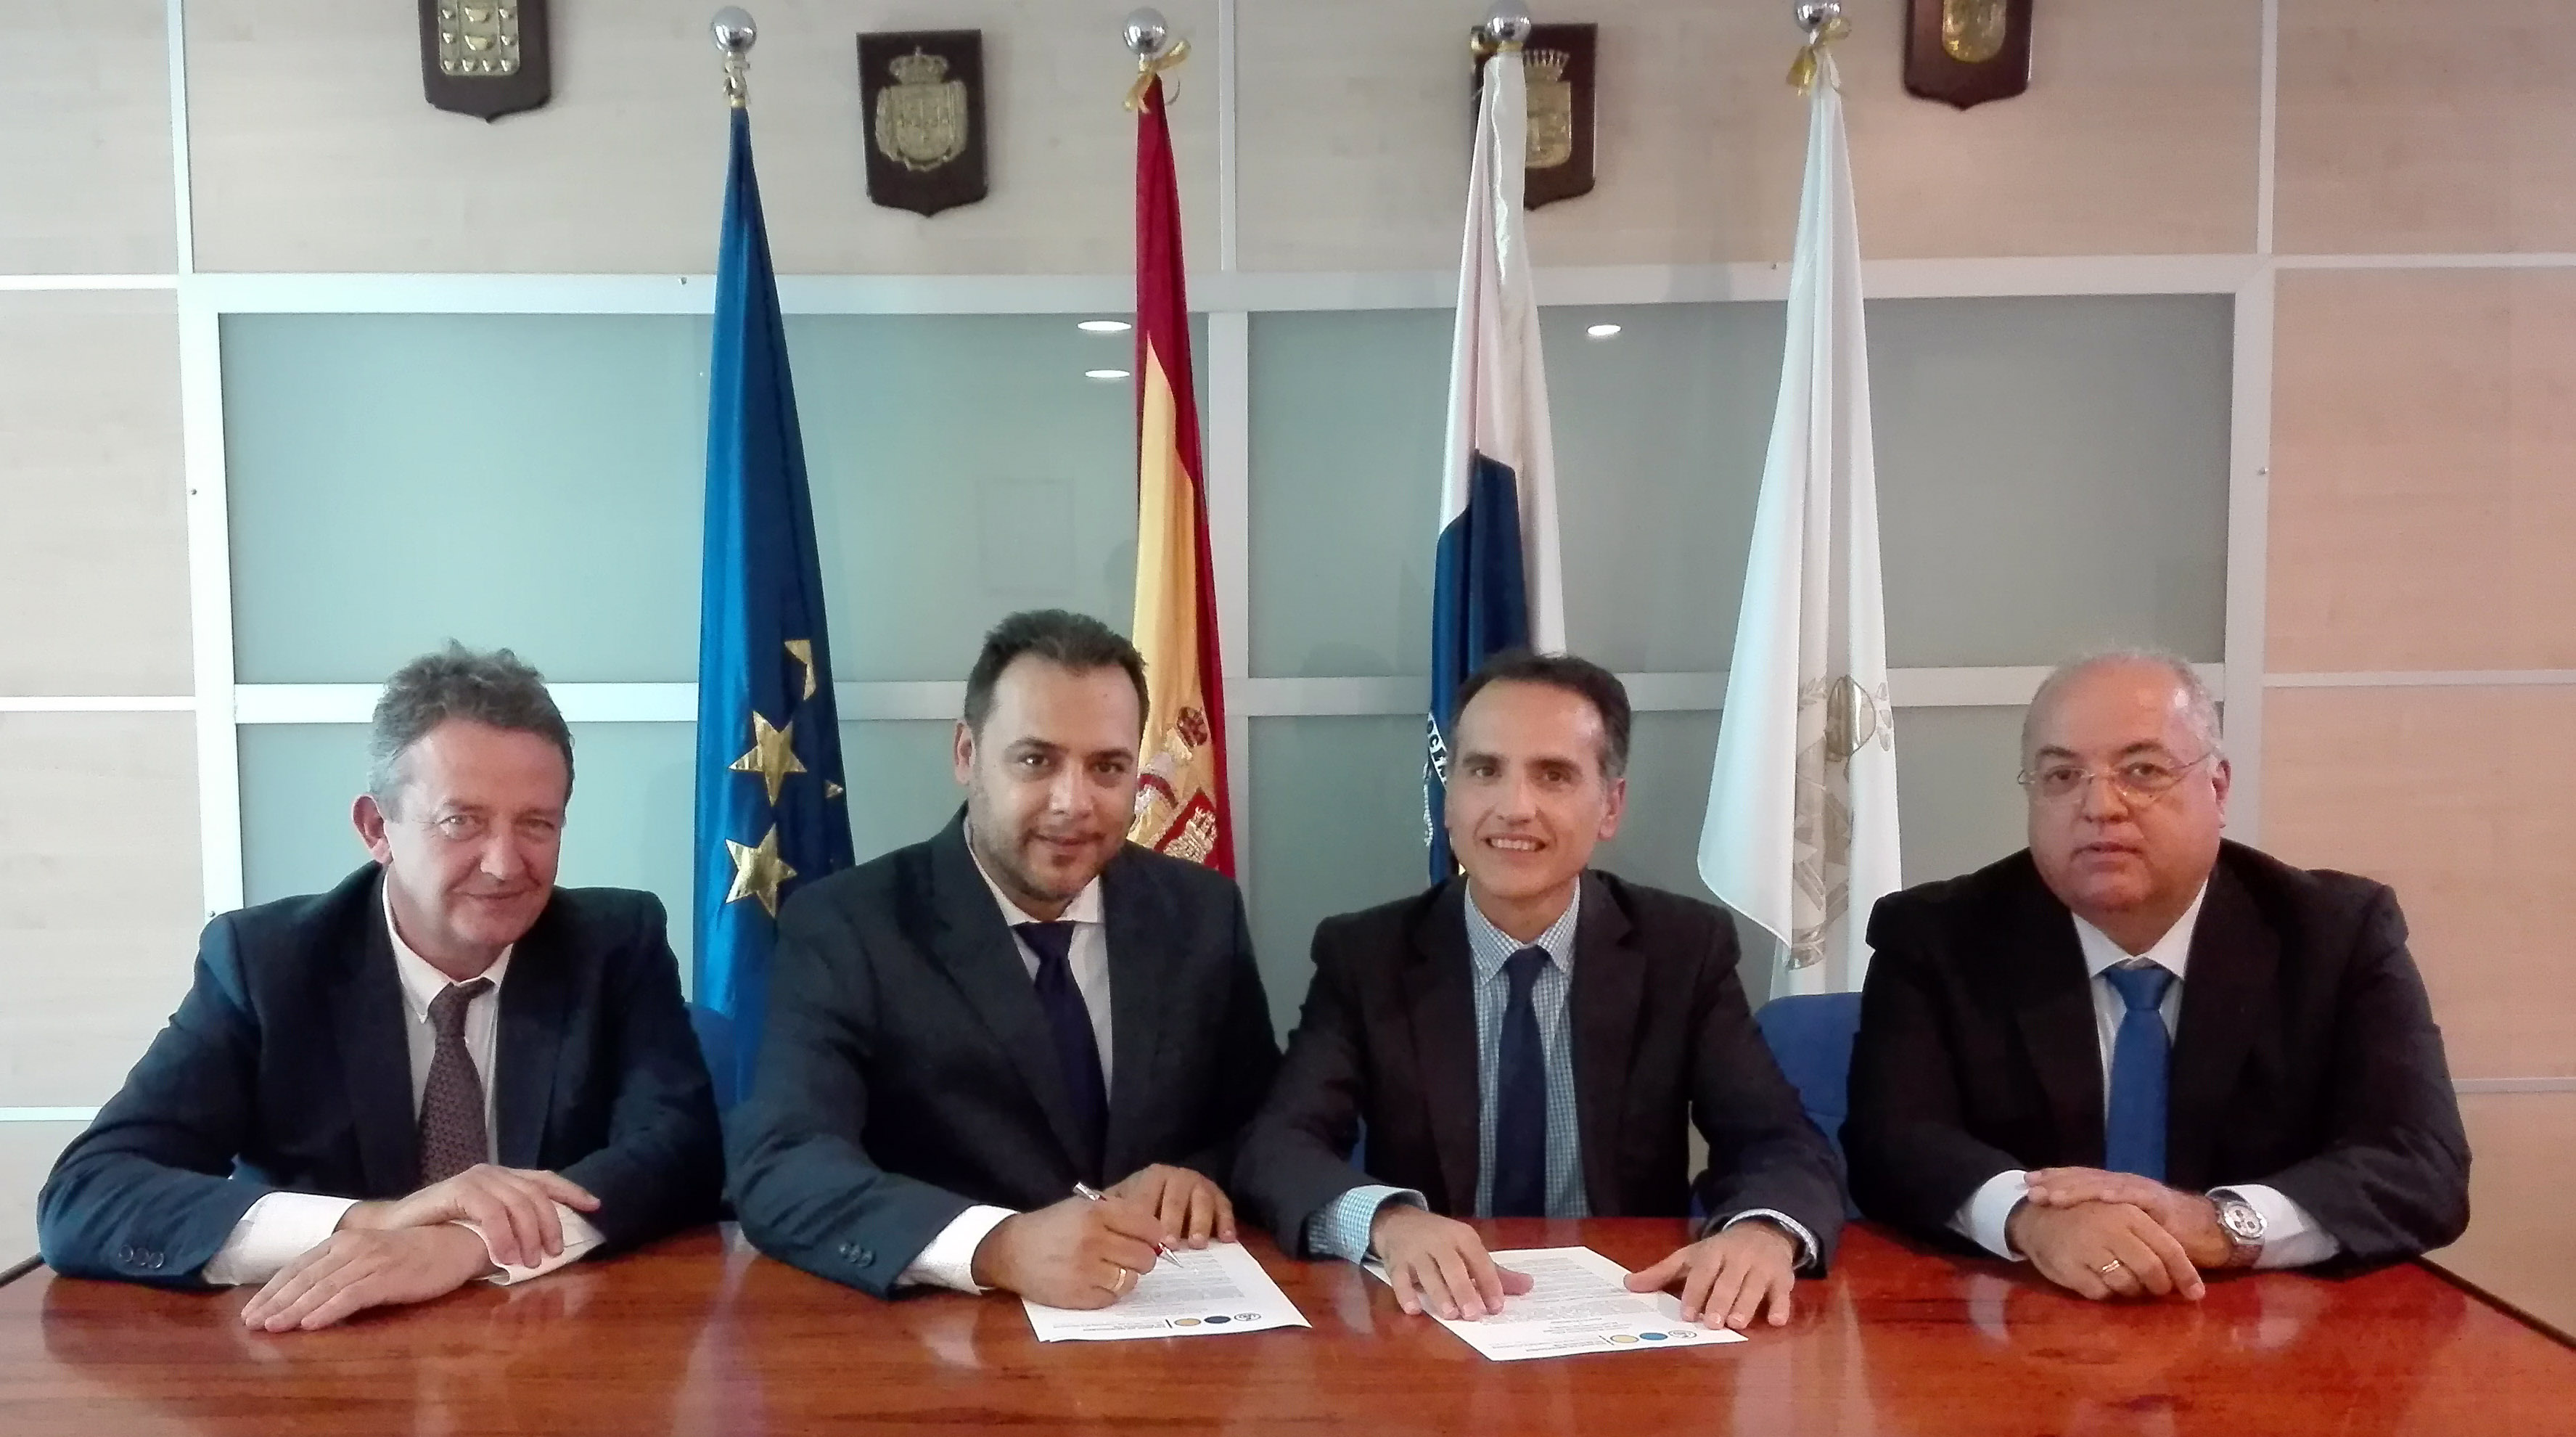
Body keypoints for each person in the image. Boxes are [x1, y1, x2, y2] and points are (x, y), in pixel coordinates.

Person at [38, 644, 723, 1329]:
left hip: (542, 1339)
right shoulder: (268, 964)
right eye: (462, 821)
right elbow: (87, 1195)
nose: (504, 863)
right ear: (377, 829)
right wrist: (377, 1224)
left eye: (536, 824)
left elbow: (681, 1154)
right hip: (317, 1350)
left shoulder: (614, 945)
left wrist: (467, 1243)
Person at [1234, 651, 1845, 1331]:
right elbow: (1278, 1145)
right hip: (1432, 1319)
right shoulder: (1366, 955)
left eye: (1553, 775)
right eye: (1484, 771)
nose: (1514, 808)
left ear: (1610, 806)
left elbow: (1780, 1141)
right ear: (1449, 795)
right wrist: (1391, 1221)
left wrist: (1764, 1231)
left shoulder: (1681, 950)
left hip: (1628, 1310)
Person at [1845, 650, 2470, 1301]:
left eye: (2142, 771)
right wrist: (2031, 1218)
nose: (2100, 806)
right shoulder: (1937, 937)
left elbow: (2421, 1165)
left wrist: (2219, 1225)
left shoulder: (2335, 934)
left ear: (2218, 789)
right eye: (2062, 776)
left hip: (2270, 1322)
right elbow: (1893, 1144)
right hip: (2026, 1313)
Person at [726, 610, 1280, 1306]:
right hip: (946, 1335)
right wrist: (996, 1246)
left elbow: (1265, 1124)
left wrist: (1195, 1175)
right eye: (1036, 760)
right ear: (966, 754)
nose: (1073, 803)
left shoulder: (1200, 913)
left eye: (1107, 767)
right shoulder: (849, 926)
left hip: (1163, 1315)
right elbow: (782, 1165)